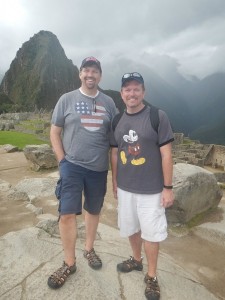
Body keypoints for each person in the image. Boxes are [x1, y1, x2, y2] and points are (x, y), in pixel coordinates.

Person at [47, 56, 118, 289]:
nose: (90, 75)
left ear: (100, 76)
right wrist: (62, 161)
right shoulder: (66, 99)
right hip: (72, 166)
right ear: (80, 74)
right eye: (86, 70)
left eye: (95, 71)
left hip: (98, 169)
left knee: (93, 210)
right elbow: (54, 132)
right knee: (67, 213)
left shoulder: (109, 103)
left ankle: (89, 248)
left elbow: (117, 139)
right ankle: (69, 262)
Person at [110, 72, 174, 300]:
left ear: (143, 92)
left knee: (152, 234)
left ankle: (152, 276)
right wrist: (115, 181)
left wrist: (168, 187)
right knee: (131, 228)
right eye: (127, 89)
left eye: (136, 89)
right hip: (126, 188)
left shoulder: (157, 116)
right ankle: (136, 260)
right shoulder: (117, 120)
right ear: (121, 94)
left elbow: (167, 154)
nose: (132, 93)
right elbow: (116, 153)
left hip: (152, 190)